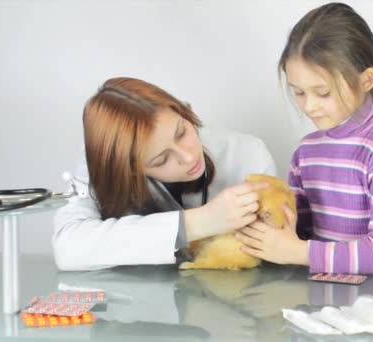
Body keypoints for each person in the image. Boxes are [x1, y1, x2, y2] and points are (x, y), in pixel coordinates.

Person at [236, 2, 373, 274]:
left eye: (322, 92)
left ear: (366, 80)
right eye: (299, 92)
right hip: (335, 302)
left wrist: (297, 251)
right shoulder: (306, 151)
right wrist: (266, 224)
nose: (309, 106)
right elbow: (300, 231)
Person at [53, 77, 275, 271]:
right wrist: (195, 224)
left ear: (182, 111)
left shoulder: (248, 154)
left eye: (181, 132)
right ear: (130, 170)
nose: (188, 157)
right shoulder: (103, 166)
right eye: (161, 160)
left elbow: (269, 248)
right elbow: (68, 248)